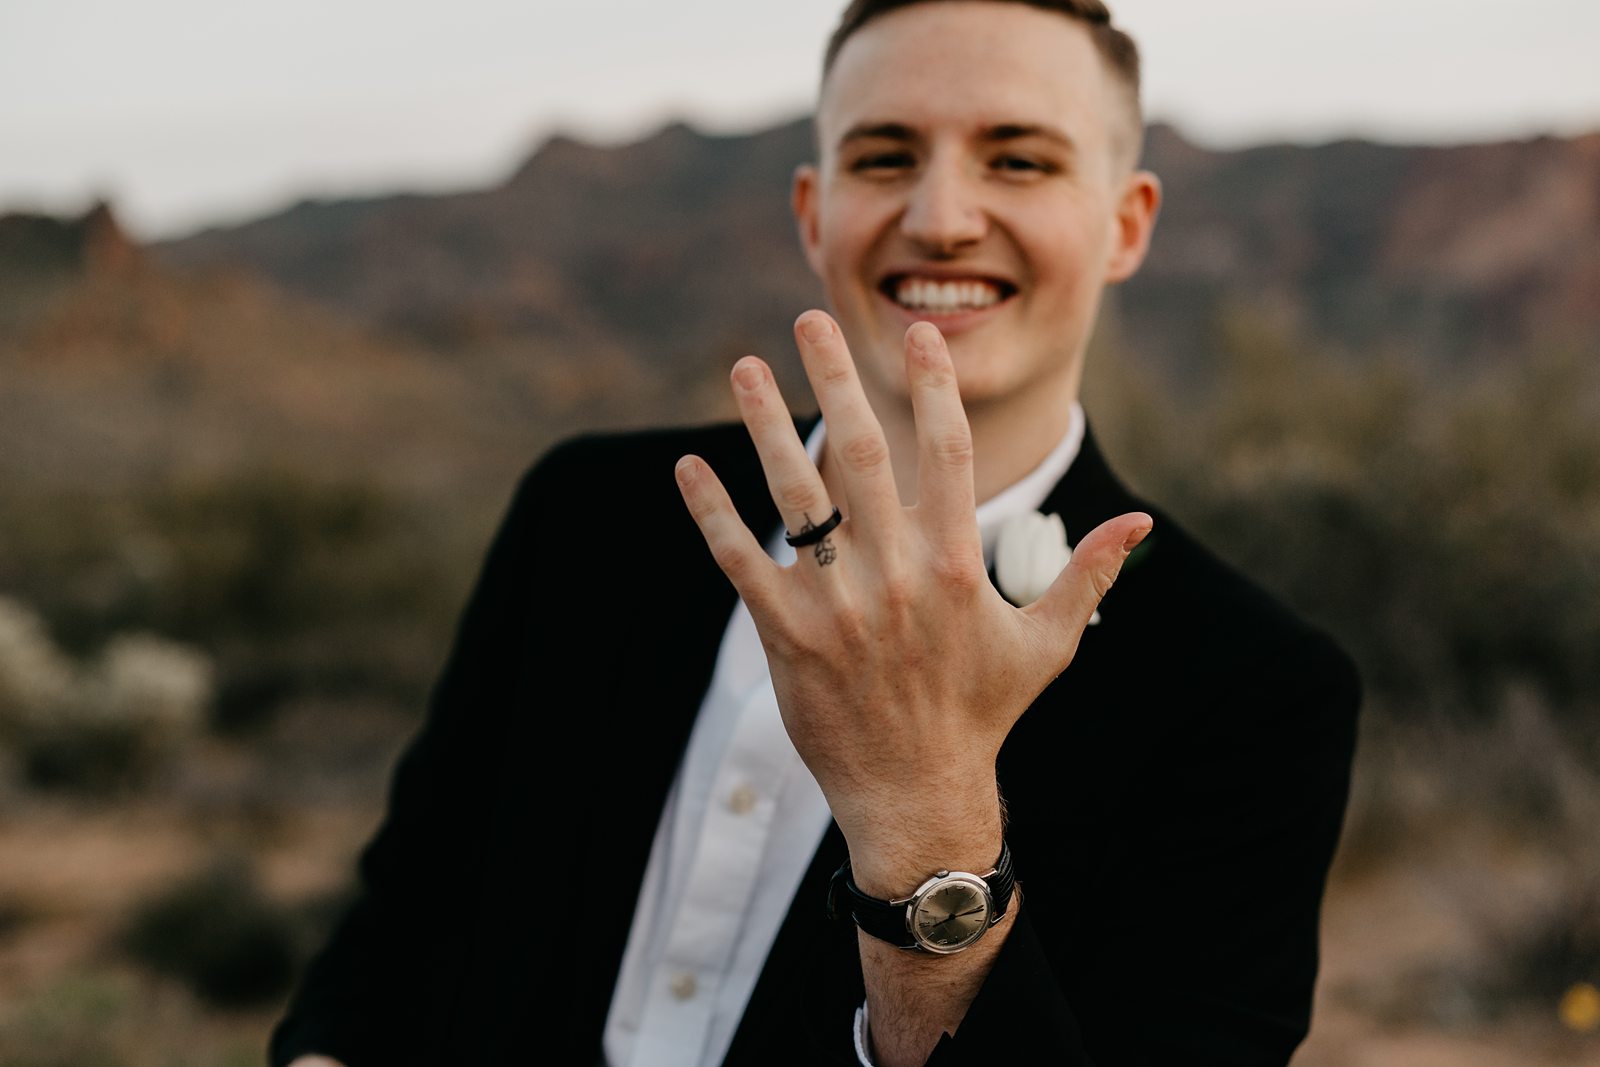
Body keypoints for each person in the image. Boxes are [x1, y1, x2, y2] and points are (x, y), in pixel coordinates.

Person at [270, 1, 1361, 1065]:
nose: (940, 217)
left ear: (1125, 222)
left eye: (1018, 160)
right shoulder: (587, 516)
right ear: (811, 210)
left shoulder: (1254, 690)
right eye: (884, 156)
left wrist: (928, 827)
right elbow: (404, 918)